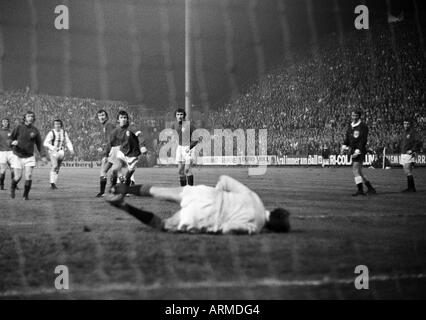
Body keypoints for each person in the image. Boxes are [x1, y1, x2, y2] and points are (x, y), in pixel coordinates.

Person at [105, 175, 291, 235]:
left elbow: (224, 180)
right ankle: (124, 206)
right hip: (205, 214)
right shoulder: (256, 226)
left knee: (155, 190)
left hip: (205, 194)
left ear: (274, 211)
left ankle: (122, 188)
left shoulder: (255, 198)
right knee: (164, 225)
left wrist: (216, 195)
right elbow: (227, 229)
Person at [8, 111, 47, 200]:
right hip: (17, 155)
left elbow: (39, 144)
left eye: (32, 116)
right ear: (24, 118)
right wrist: (11, 142)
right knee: (18, 177)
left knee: (28, 175)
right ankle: (12, 188)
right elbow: (10, 138)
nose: (31, 118)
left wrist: (43, 155)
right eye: (28, 116)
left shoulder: (35, 130)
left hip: (29, 156)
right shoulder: (18, 127)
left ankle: (25, 196)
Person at [341, 109, 376, 196]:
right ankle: (371, 188)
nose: (354, 117)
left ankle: (360, 190)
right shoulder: (351, 125)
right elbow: (347, 137)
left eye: (356, 115)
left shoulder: (363, 126)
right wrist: (344, 145)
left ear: (359, 116)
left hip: (359, 151)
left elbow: (363, 140)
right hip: (353, 150)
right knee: (359, 172)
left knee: (355, 170)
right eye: (352, 115)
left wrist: (358, 150)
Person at [108, 110, 147, 188]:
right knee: (114, 170)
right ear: (118, 120)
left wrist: (142, 146)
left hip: (133, 155)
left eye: (125, 117)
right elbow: (110, 143)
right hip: (122, 152)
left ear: (127, 119)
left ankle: (126, 188)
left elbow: (140, 135)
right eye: (121, 117)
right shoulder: (116, 131)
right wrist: (105, 153)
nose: (123, 119)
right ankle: (112, 190)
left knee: (128, 176)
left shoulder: (132, 127)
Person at [171, 108, 201, 186]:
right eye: (178, 114)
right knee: (180, 171)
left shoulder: (189, 125)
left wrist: (190, 147)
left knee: (187, 170)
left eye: (181, 114)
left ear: (184, 115)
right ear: (175, 116)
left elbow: (196, 138)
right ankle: (183, 190)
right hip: (180, 148)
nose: (179, 116)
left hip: (189, 149)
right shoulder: (174, 125)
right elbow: (174, 135)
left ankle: (191, 190)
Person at [43, 119, 75, 189]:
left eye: (59, 124)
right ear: (54, 125)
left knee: (57, 168)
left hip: (61, 152)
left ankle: (54, 183)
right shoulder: (51, 132)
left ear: (61, 125)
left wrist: (71, 149)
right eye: (56, 124)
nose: (57, 125)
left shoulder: (64, 132)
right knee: (54, 166)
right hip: (53, 152)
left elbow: (68, 141)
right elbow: (45, 143)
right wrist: (52, 147)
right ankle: (52, 183)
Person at [96, 109, 116, 197]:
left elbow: (110, 140)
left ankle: (102, 192)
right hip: (116, 149)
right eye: (99, 115)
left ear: (106, 116)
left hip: (114, 150)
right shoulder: (106, 125)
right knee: (115, 171)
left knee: (103, 171)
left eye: (103, 115)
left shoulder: (108, 125)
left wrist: (106, 154)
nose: (101, 117)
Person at [399, 119, 421, 192]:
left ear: (410, 124)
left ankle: (411, 188)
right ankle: (411, 188)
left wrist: (412, 150)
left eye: (407, 123)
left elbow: (418, 142)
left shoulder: (413, 132)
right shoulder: (403, 132)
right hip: (403, 153)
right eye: (404, 123)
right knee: (406, 171)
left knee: (408, 170)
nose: (406, 125)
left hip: (408, 154)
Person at [0, 118, 15, 190]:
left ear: (8, 123)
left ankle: (14, 185)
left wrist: (13, 143)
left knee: (13, 169)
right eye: (4, 122)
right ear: (2, 123)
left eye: (6, 122)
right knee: (3, 169)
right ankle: (1, 185)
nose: (5, 123)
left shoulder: (11, 132)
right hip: (2, 152)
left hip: (11, 152)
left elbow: (14, 141)